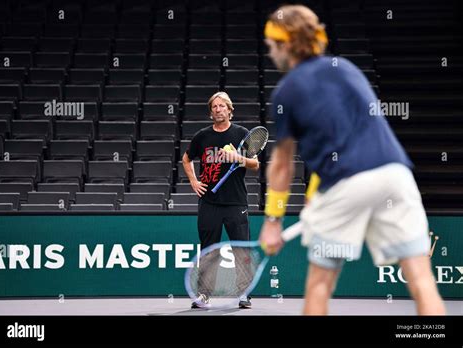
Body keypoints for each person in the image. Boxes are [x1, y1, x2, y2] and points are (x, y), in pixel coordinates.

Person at [259, 5, 445, 315]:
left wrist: (272, 220)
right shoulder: (345, 67)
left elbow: (281, 166)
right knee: (422, 280)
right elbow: (348, 137)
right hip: (396, 177)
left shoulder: (286, 91)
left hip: (345, 186)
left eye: (271, 45)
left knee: (320, 286)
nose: (269, 52)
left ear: (286, 44)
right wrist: (314, 194)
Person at [182, 91, 260, 309]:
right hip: (209, 202)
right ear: (211, 112)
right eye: (214, 107)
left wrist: (238, 158)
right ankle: (204, 294)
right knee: (208, 250)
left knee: (241, 251)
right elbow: (186, 159)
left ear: (230, 109)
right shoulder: (202, 136)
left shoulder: (241, 134)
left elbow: (256, 165)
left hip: (236, 202)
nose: (218, 109)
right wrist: (194, 182)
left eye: (222, 106)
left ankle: (244, 294)